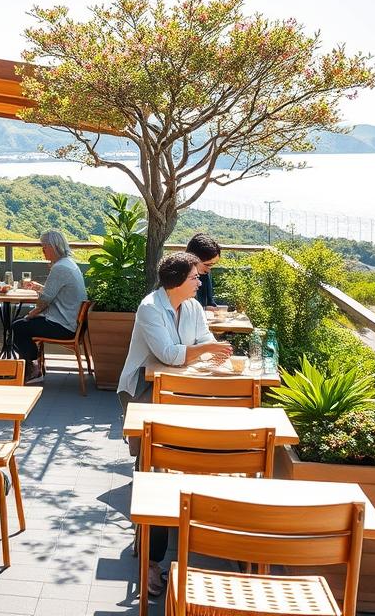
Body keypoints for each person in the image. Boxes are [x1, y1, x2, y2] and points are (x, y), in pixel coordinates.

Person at [116, 251, 232, 595]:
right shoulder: (150, 307)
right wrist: (207, 349)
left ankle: (204, 529)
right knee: (155, 465)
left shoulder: (193, 307)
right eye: (197, 277)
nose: (201, 282)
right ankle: (150, 561)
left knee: (201, 448)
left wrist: (213, 350)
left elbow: (202, 344)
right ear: (179, 281)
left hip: (181, 387)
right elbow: (168, 354)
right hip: (144, 387)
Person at [12, 230, 87, 383]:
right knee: (22, 324)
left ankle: (33, 369)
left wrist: (32, 314)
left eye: (44, 246)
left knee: (18, 326)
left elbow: (44, 301)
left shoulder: (59, 268)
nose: (43, 250)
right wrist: (39, 288)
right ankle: (31, 366)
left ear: (54, 247)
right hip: (73, 323)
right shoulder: (69, 263)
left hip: (63, 326)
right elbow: (54, 293)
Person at [185, 233, 221, 310]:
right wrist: (204, 309)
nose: (209, 269)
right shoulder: (179, 279)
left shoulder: (205, 274)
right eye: (208, 264)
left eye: (213, 265)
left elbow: (210, 302)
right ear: (192, 259)